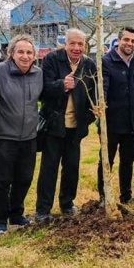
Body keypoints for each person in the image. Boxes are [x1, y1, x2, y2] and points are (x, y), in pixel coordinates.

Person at [35, 28, 97, 222]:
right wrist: (61, 85)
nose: (76, 48)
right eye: (73, 43)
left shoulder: (89, 65)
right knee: (49, 168)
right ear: (65, 44)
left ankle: (67, 204)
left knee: (71, 168)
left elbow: (92, 95)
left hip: (75, 127)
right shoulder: (52, 60)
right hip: (54, 125)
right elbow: (43, 89)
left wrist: (91, 116)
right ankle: (43, 210)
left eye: (80, 44)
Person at [0, 34, 43, 235]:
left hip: (29, 137)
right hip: (4, 136)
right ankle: (0, 220)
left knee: (25, 178)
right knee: (1, 180)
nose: (25, 56)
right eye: (20, 52)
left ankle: (16, 214)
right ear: (11, 54)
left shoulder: (39, 74)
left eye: (29, 52)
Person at [97, 26, 134, 205]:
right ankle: (104, 196)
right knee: (106, 161)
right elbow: (103, 89)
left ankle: (126, 195)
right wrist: (102, 108)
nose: (129, 44)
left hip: (133, 123)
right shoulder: (106, 61)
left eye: (133, 41)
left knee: (128, 162)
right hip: (111, 123)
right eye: (126, 40)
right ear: (118, 41)